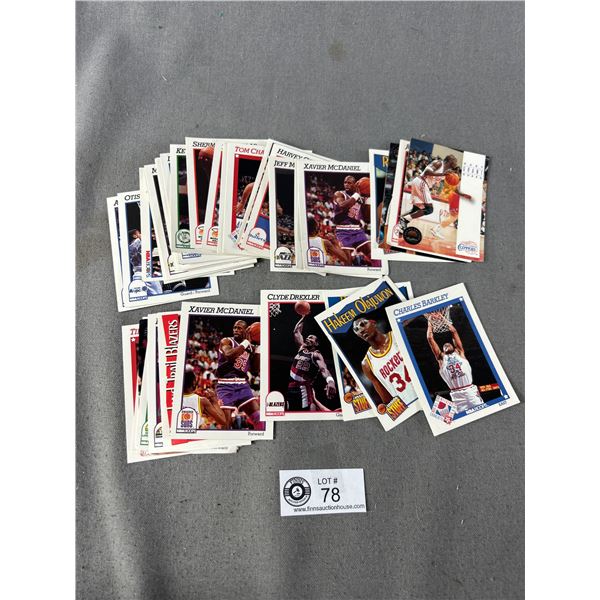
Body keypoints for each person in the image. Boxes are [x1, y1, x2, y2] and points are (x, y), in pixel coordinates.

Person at [353, 317, 417, 413]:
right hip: (408, 408)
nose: (361, 330)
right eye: (357, 330)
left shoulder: (397, 335)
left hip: (426, 391)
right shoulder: (366, 363)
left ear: (373, 323)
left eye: (363, 324)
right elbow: (387, 399)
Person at [426, 314, 484, 412]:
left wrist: (443, 319)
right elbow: (429, 338)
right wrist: (430, 322)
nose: (446, 344)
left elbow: (454, 331)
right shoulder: (441, 358)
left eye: (448, 344)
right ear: (442, 351)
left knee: (482, 412)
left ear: (454, 347)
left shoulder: (459, 353)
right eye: (444, 346)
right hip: (457, 397)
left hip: (470, 392)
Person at [215, 320, 264, 430]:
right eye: (235, 327)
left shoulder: (250, 347)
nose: (236, 330)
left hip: (242, 385)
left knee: (259, 418)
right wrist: (246, 342)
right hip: (225, 386)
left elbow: (255, 369)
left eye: (239, 328)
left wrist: (259, 349)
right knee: (226, 424)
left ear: (246, 331)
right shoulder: (227, 341)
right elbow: (229, 355)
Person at [287, 315, 338, 411]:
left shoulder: (316, 354)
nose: (307, 338)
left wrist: (330, 381)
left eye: (311, 338)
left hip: (304, 388)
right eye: (307, 337)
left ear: (316, 343)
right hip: (291, 387)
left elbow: (324, 369)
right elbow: (296, 331)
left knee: (307, 413)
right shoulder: (301, 348)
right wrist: (304, 316)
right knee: (291, 412)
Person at [399, 155, 459, 231]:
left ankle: (400, 220)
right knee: (429, 209)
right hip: (421, 182)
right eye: (453, 162)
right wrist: (442, 174)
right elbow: (427, 172)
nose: (454, 165)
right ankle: (404, 219)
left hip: (422, 184)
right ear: (448, 161)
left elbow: (447, 184)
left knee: (416, 209)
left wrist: (461, 193)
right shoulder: (438, 163)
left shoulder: (446, 172)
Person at [332, 176, 372, 264]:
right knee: (348, 261)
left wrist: (368, 199)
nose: (346, 184)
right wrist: (357, 195)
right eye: (345, 182)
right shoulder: (339, 194)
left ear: (355, 185)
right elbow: (342, 206)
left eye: (349, 183)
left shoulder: (360, 198)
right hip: (343, 231)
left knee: (372, 256)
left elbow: (367, 218)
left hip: (357, 230)